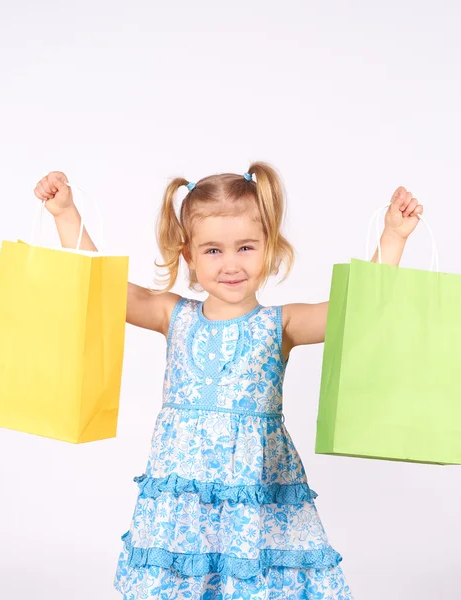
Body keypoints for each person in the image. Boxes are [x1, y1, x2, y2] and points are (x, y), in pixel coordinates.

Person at [34, 162, 423, 599]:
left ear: (270, 248)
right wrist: (66, 215)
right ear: (190, 257)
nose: (231, 264)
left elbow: (356, 310)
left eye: (246, 247)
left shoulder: (282, 323)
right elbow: (104, 287)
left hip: (254, 497)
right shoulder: (172, 315)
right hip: (185, 505)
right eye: (214, 251)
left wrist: (393, 236)